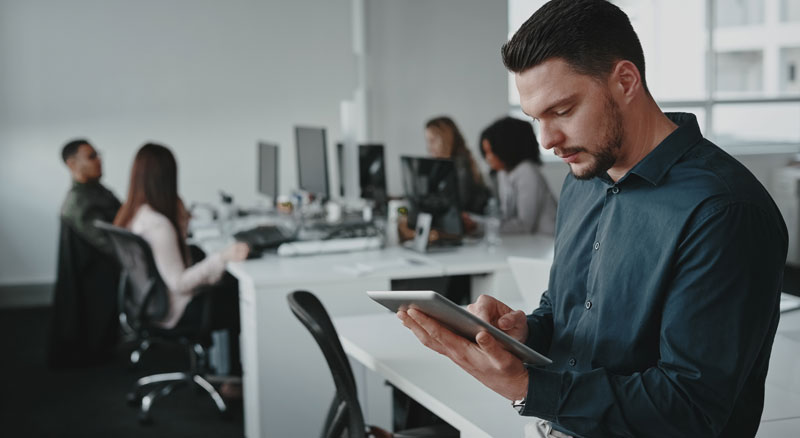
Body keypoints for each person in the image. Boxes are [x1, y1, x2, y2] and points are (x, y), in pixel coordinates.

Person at [397, 1, 788, 437]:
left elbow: (690, 410)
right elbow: (567, 315)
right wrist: (523, 332)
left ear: (625, 81)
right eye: (535, 119)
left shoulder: (724, 211)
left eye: (562, 111)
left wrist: (525, 387)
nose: (547, 140)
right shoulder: (582, 179)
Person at [113, 143, 249, 330]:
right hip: (175, 310)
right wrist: (222, 257)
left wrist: (180, 219)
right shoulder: (158, 225)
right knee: (239, 295)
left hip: (150, 303)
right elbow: (180, 283)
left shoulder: (133, 214)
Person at [478, 116, 557, 235]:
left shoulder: (527, 172)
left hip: (546, 242)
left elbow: (524, 226)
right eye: (486, 153)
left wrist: (479, 226)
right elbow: (505, 217)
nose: (488, 158)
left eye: (491, 151)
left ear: (505, 148)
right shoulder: (502, 173)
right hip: (528, 243)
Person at [60, 139, 121, 254]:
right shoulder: (78, 202)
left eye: (98, 155)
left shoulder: (98, 190)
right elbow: (111, 246)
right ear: (72, 164)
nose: (99, 160)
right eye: (91, 157)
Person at [424, 116, 491, 214]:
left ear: (445, 138)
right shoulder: (440, 165)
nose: (429, 147)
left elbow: (459, 205)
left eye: (433, 140)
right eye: (427, 141)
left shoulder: (461, 165)